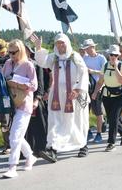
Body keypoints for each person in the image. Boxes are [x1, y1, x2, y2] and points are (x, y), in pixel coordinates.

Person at [34, 33, 90, 161]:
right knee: (55, 121)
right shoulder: (53, 58)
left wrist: (78, 89)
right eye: (58, 43)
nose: (60, 45)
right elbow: (42, 62)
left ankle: (83, 145)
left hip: (74, 94)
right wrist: (38, 47)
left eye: (62, 42)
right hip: (57, 95)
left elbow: (84, 73)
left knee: (77, 120)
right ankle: (52, 149)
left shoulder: (75, 56)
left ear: (67, 43)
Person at [2, 39, 38, 178]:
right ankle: (30, 156)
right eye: (9, 52)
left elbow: (34, 85)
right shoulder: (7, 64)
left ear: (21, 50)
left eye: (13, 52)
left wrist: (18, 84)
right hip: (10, 104)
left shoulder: (28, 65)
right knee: (15, 136)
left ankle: (12, 166)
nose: (10, 55)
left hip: (24, 103)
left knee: (15, 136)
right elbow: (2, 79)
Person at [92, 45, 122, 151]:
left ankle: (111, 143)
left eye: (115, 55)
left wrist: (115, 67)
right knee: (112, 119)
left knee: (113, 119)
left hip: (120, 96)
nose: (113, 56)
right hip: (107, 96)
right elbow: (100, 81)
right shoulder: (105, 65)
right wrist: (95, 92)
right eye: (111, 54)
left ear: (118, 56)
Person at [24, 44, 48, 156]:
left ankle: (41, 148)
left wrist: (37, 98)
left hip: (34, 99)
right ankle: (26, 151)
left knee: (39, 124)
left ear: (29, 52)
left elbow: (40, 82)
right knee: (26, 126)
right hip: (21, 100)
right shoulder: (15, 65)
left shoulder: (36, 64)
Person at [82, 39, 107, 143]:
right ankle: (88, 132)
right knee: (85, 111)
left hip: (98, 86)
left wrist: (93, 71)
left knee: (98, 112)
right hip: (86, 87)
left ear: (93, 47)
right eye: (85, 48)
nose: (86, 50)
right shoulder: (84, 58)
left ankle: (99, 133)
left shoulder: (101, 58)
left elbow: (105, 73)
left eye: (88, 48)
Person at [0, 38, 12, 154]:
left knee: (11, 118)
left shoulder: (11, 58)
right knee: (1, 119)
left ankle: (14, 143)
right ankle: (7, 144)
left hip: (9, 90)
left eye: (2, 50)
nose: (1, 52)